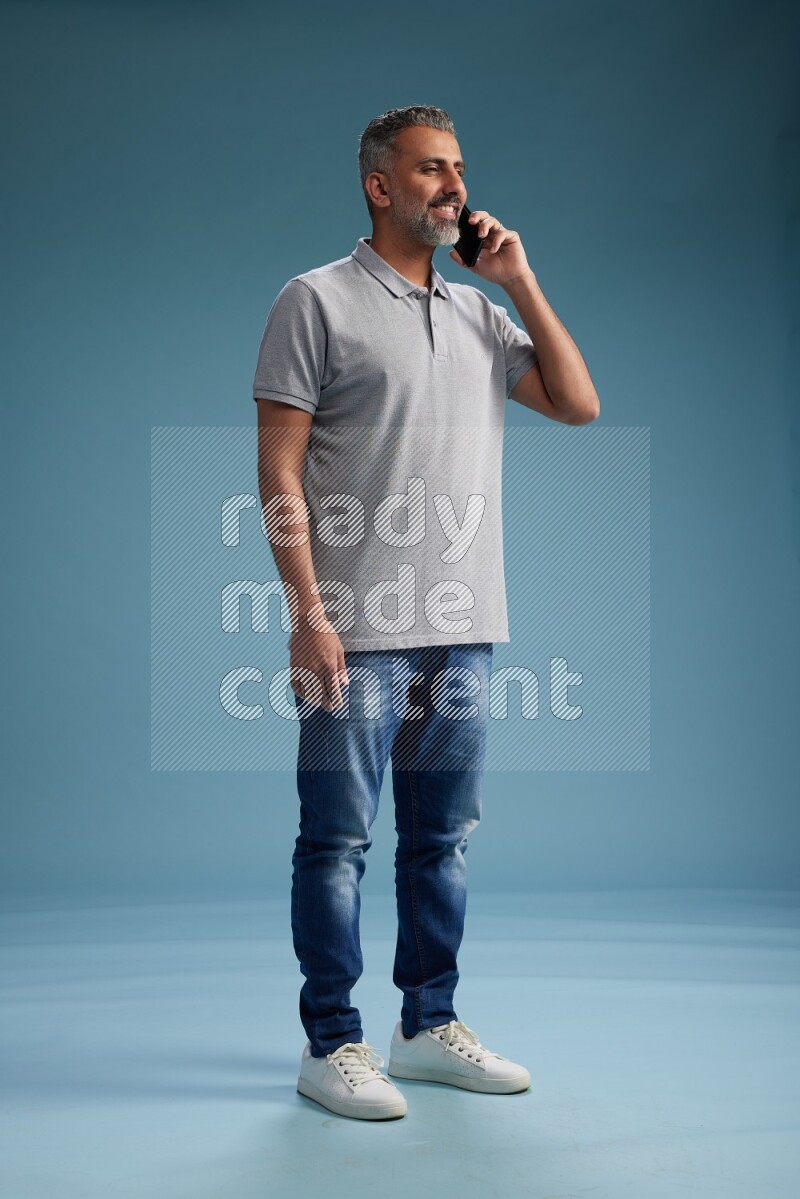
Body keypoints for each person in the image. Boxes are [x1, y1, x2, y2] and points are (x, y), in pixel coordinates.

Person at [253, 104, 599, 1121]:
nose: (451, 185)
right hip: (353, 626)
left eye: (456, 169)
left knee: (439, 840)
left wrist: (519, 281)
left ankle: (424, 1024)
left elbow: (576, 403)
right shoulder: (311, 300)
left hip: (463, 620)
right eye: (430, 170)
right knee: (336, 842)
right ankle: (333, 1043)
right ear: (379, 183)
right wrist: (305, 612)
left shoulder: (479, 314)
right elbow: (277, 468)